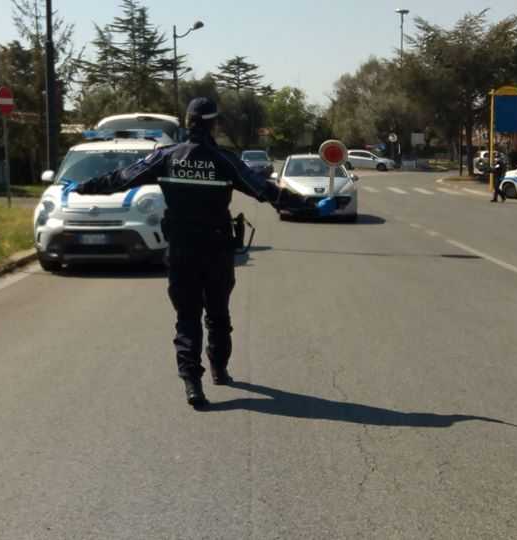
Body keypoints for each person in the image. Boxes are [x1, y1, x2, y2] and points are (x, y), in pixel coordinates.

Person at [65, 97, 325, 407]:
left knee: (186, 317)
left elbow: (122, 178)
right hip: (216, 251)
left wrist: (83, 187)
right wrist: (308, 205)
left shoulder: (165, 157)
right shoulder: (224, 160)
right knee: (217, 315)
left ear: (188, 123)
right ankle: (219, 369)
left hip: (181, 251)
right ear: (214, 124)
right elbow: (265, 190)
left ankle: (192, 385)